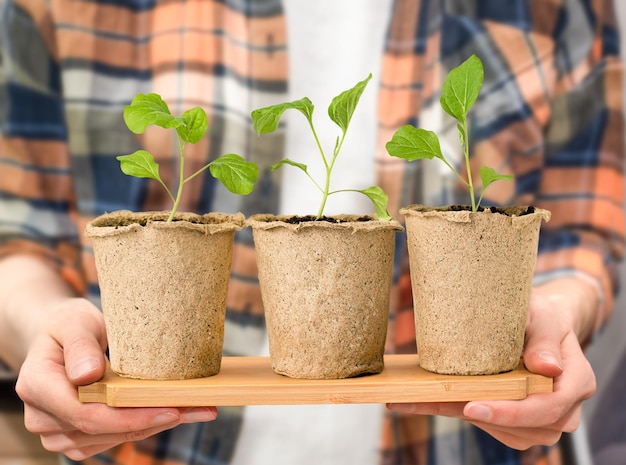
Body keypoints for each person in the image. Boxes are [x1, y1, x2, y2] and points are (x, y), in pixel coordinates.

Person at [0, 0, 623, 464]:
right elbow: (17, 233)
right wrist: (45, 329)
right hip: (155, 448)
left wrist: (557, 310)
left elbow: (585, 229)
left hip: (472, 444)